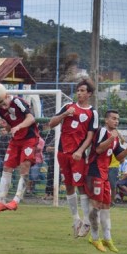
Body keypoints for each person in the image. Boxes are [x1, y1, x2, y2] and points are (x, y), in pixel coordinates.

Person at [47, 79, 98, 235]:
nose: (79, 93)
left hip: (77, 155)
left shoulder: (92, 112)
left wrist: (80, 151)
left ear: (89, 94)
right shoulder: (68, 106)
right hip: (62, 153)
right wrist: (64, 114)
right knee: (69, 186)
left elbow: (90, 136)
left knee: (81, 186)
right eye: (78, 90)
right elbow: (51, 123)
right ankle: (76, 220)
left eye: (82, 91)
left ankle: (87, 221)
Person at [84, 109, 127, 253]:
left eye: (117, 119)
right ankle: (94, 238)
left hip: (104, 174)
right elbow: (98, 149)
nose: (116, 121)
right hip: (94, 172)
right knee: (96, 206)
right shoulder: (102, 131)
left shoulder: (114, 137)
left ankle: (107, 238)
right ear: (106, 120)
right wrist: (110, 138)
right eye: (113, 118)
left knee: (106, 207)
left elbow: (119, 157)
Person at [0, 84, 40, 214]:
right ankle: (1, 201)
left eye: (3, 103)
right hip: (15, 140)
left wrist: (19, 126)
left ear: (7, 96)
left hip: (29, 138)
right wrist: (5, 127)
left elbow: (31, 118)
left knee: (24, 166)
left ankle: (16, 200)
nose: (3, 106)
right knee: (7, 167)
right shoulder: (0, 110)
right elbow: (9, 126)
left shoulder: (17, 101)